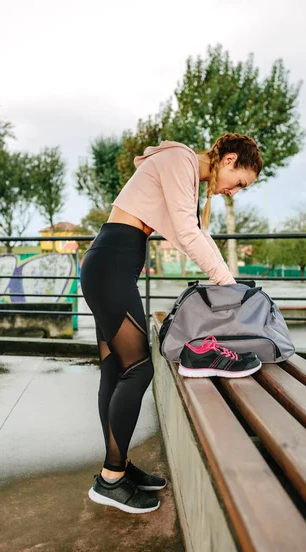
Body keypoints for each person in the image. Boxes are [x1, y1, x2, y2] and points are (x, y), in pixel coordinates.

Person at [80, 132, 262, 514]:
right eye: (240, 183)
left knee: (115, 369)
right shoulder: (181, 161)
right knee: (138, 369)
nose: (234, 192)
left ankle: (119, 467)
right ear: (229, 160)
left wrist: (227, 279)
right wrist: (228, 285)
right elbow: (186, 233)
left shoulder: (185, 171)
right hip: (112, 265)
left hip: (110, 263)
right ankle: (110, 479)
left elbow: (195, 236)